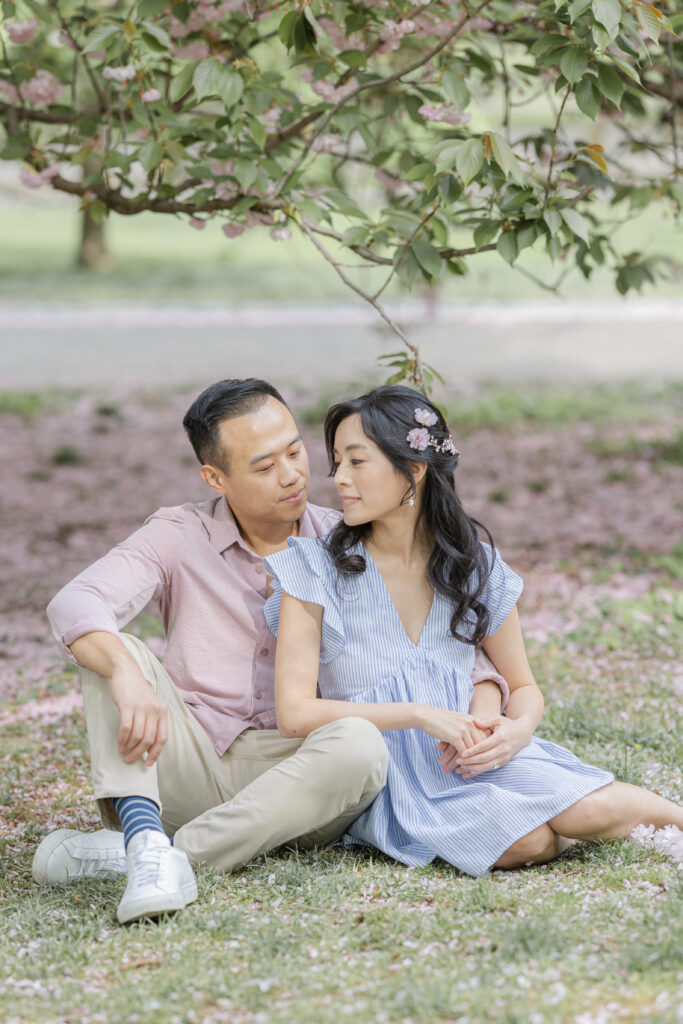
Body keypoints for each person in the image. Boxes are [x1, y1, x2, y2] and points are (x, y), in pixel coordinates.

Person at [34, 378, 509, 921]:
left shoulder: (346, 540)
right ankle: (144, 840)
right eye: (263, 467)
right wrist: (123, 670)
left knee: (360, 745)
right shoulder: (179, 533)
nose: (291, 476)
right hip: (187, 756)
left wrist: (489, 700)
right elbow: (77, 602)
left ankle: (155, 855)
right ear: (216, 476)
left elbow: (444, 645)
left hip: (298, 778)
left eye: (294, 451)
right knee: (110, 647)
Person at [263, 384, 683, 876]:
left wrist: (516, 730)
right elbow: (294, 714)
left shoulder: (474, 567)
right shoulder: (313, 568)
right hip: (386, 777)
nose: (339, 479)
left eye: (357, 462)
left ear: (413, 470)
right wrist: (421, 714)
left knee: (589, 810)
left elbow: (524, 686)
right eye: (336, 463)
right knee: (525, 841)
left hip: (473, 757)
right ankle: (557, 826)